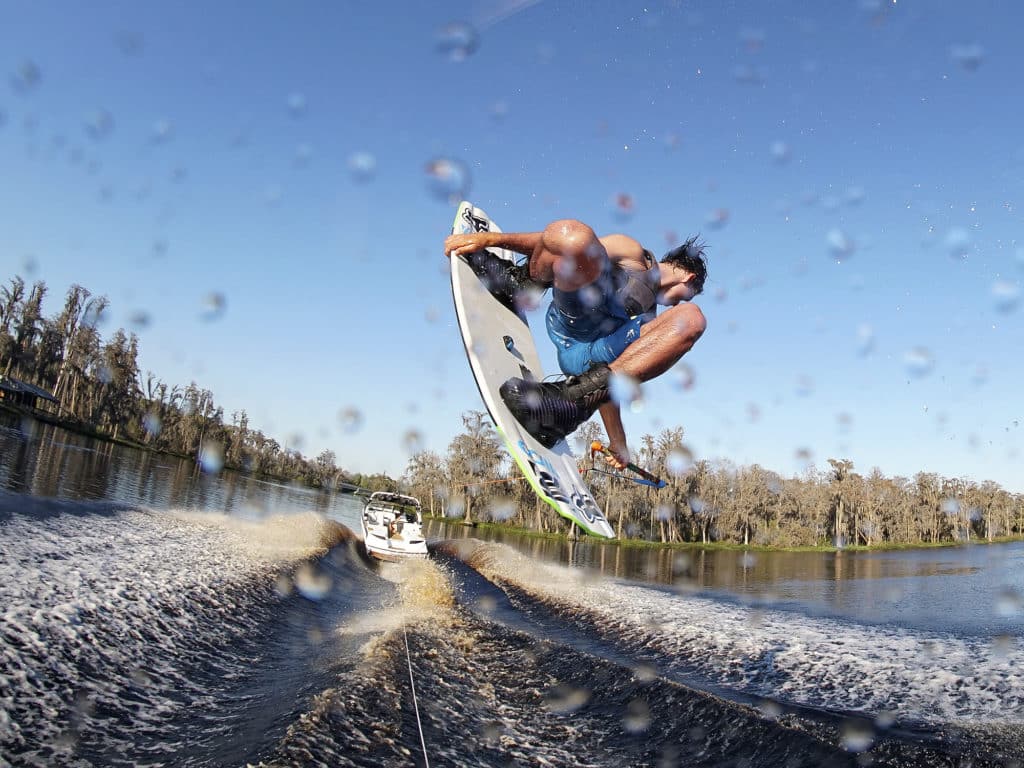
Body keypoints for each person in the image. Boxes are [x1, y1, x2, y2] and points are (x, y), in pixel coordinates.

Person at [444, 218, 706, 470]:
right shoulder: (632, 254)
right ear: (689, 279)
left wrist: (618, 442)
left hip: (587, 359)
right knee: (572, 234)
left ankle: (568, 405)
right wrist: (491, 240)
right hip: (570, 322)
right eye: (685, 297)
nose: (676, 304)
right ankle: (521, 285)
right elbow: (556, 240)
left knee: (691, 319)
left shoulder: (649, 321)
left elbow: (613, 375)